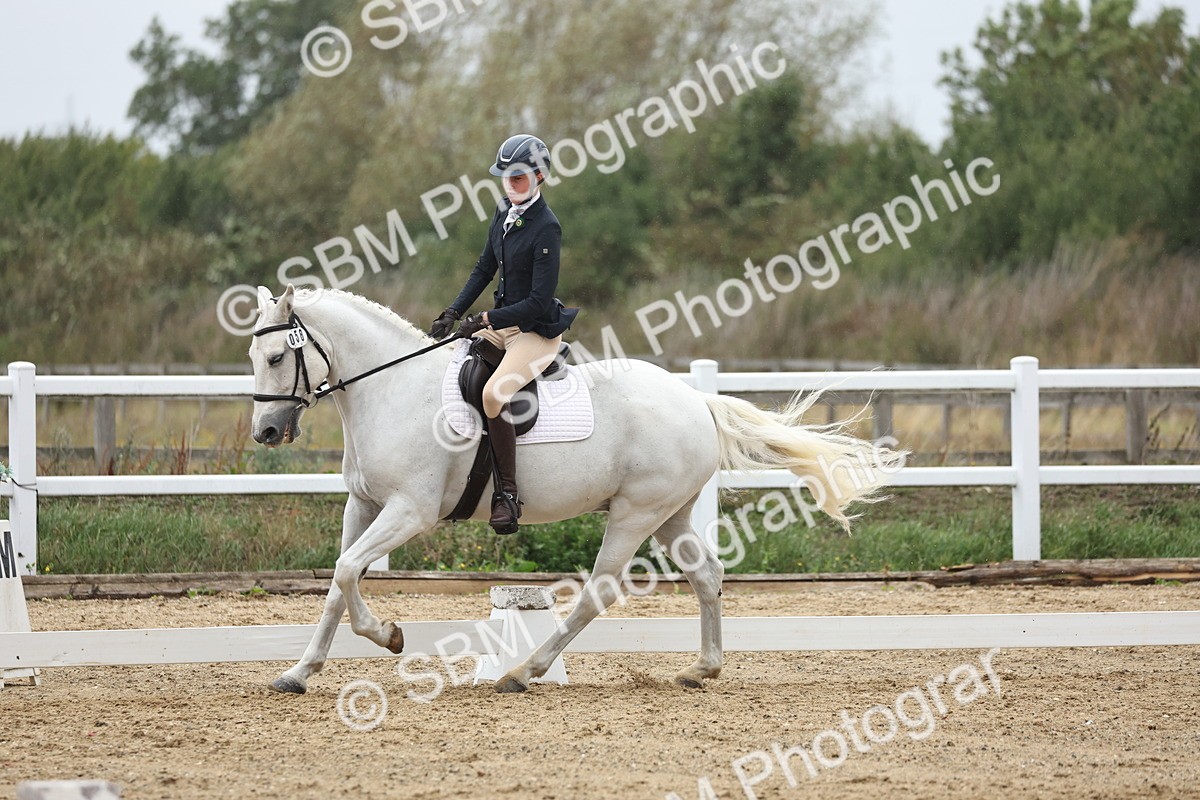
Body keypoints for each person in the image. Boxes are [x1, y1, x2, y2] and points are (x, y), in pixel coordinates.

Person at [429, 134, 578, 534]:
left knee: (496, 394)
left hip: (534, 331)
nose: (510, 186)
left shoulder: (547, 227)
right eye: (505, 178)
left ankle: (507, 496)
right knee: (449, 359)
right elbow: (483, 269)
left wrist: (485, 319)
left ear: (539, 176)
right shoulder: (502, 213)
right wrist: (454, 311)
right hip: (502, 324)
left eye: (518, 179)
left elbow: (537, 301)